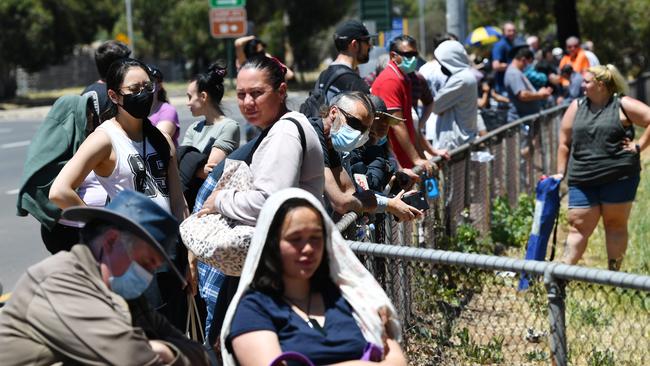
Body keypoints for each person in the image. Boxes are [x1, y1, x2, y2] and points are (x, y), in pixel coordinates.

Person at [193, 56, 325, 346]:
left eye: (257, 93)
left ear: (281, 92)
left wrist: (221, 199)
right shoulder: (283, 128)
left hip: (283, 268)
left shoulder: (285, 133)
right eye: (241, 95)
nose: (248, 102)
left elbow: (270, 201)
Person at [49, 58, 190, 329]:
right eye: (134, 89)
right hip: (134, 254)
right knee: (149, 334)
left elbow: (178, 201)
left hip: (171, 250)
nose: (144, 95)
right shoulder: (105, 138)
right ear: (114, 95)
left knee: (176, 329)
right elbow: (60, 191)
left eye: (148, 87)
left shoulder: (160, 139)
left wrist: (189, 254)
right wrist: (105, 227)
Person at [0, 190, 209, 366]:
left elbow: (199, 354)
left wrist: (162, 351)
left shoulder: (123, 293)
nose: (148, 275)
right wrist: (155, 349)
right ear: (110, 241)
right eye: (146, 263)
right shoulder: (59, 282)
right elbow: (132, 359)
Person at [221, 188, 406, 366]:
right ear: (272, 243)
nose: (308, 248)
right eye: (295, 239)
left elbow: (397, 361)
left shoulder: (351, 296)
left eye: (315, 237)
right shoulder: (254, 309)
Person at [554, 64, 650, 271]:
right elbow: (564, 142)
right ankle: (561, 276)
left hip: (619, 177)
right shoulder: (577, 106)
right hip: (582, 178)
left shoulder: (622, 104)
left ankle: (613, 275)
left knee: (614, 225)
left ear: (601, 85)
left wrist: (639, 146)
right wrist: (560, 172)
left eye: (586, 82)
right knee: (578, 226)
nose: (582, 86)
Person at [17, 93, 103, 254]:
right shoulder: (52, 150)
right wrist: (95, 223)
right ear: (71, 117)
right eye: (87, 113)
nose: (91, 117)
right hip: (68, 232)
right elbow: (50, 188)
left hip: (77, 230)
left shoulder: (82, 144)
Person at [372, 35, 447, 173]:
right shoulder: (390, 80)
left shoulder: (403, 77)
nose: (412, 58)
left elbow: (409, 123)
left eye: (415, 54)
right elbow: (397, 124)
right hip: (395, 162)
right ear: (393, 56)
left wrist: (426, 152)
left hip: (405, 158)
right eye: (408, 54)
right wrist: (416, 159)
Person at [179, 62, 240, 207]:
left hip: (208, 201)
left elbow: (211, 172)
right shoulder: (193, 128)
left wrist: (190, 165)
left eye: (190, 97)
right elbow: (180, 162)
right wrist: (196, 166)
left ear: (203, 96)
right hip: (186, 198)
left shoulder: (228, 126)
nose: (187, 104)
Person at [429, 39, 479, 150]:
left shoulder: (461, 79)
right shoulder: (466, 75)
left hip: (456, 144)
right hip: (462, 140)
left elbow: (436, 106)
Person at [313, 19, 373, 100]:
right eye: (366, 41)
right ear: (354, 44)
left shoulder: (323, 75)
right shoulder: (352, 82)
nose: (370, 46)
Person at [82, 40, 132, 121]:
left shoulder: (86, 93)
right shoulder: (119, 94)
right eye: (126, 62)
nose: (129, 66)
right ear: (117, 66)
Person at [504, 47, 553, 123]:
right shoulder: (513, 74)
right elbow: (523, 95)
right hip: (520, 121)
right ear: (523, 60)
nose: (528, 67)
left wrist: (540, 93)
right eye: (529, 63)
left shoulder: (517, 72)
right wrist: (540, 95)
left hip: (526, 120)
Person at [149, 65, 181, 146]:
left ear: (159, 86)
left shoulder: (167, 110)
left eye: (150, 82)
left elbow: (159, 140)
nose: (146, 86)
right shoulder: (136, 110)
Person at [491, 21, 517, 93]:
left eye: (513, 30)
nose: (512, 33)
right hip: (503, 86)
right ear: (503, 32)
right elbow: (496, 66)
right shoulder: (500, 45)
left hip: (511, 84)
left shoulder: (511, 44)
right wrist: (513, 66)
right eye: (509, 31)